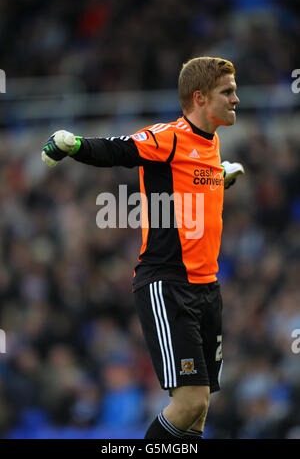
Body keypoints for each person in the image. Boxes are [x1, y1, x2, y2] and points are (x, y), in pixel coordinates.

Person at [41, 56, 244, 440]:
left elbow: (195, 186)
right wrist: (74, 144)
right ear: (199, 98)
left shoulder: (212, 143)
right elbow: (119, 150)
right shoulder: (168, 136)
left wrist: (221, 177)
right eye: (227, 92)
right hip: (168, 285)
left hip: (207, 288)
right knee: (190, 403)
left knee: (198, 413)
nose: (236, 99)